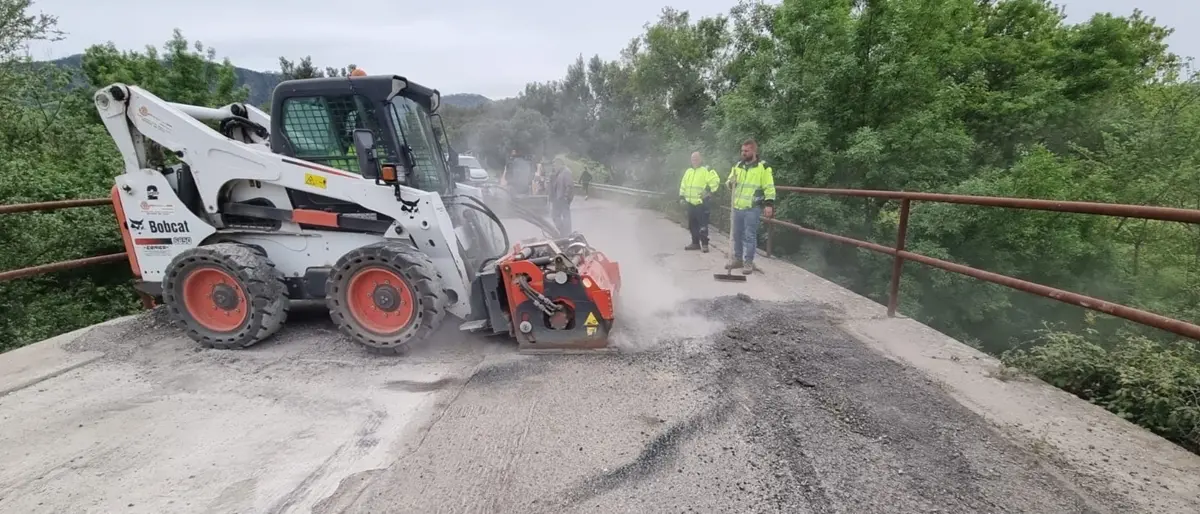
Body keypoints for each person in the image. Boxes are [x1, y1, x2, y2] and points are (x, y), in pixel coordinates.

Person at [725, 139, 776, 275]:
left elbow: (769, 187)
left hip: (752, 207)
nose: (743, 153)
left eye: (746, 151)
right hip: (738, 206)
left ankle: (748, 262)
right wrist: (731, 183)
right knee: (737, 233)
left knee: (749, 235)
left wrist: (769, 204)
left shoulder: (763, 167)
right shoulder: (738, 166)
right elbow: (729, 182)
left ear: (754, 151)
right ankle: (738, 259)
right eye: (742, 151)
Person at [678, 151, 720, 253]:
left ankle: (705, 244)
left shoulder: (707, 169)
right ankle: (695, 243)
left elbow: (715, 180)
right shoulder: (688, 171)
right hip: (690, 202)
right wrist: (681, 197)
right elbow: (683, 184)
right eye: (693, 159)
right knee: (692, 224)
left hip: (702, 202)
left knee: (703, 225)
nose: (694, 161)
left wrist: (709, 191)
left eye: (696, 159)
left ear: (701, 159)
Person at [547, 157, 575, 235]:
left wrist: (566, 197)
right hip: (556, 199)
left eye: (555, 164)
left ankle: (567, 233)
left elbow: (569, 186)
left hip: (563, 198)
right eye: (553, 165)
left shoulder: (566, 172)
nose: (554, 166)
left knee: (566, 216)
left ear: (560, 164)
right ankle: (563, 231)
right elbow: (552, 186)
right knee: (554, 216)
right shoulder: (555, 173)